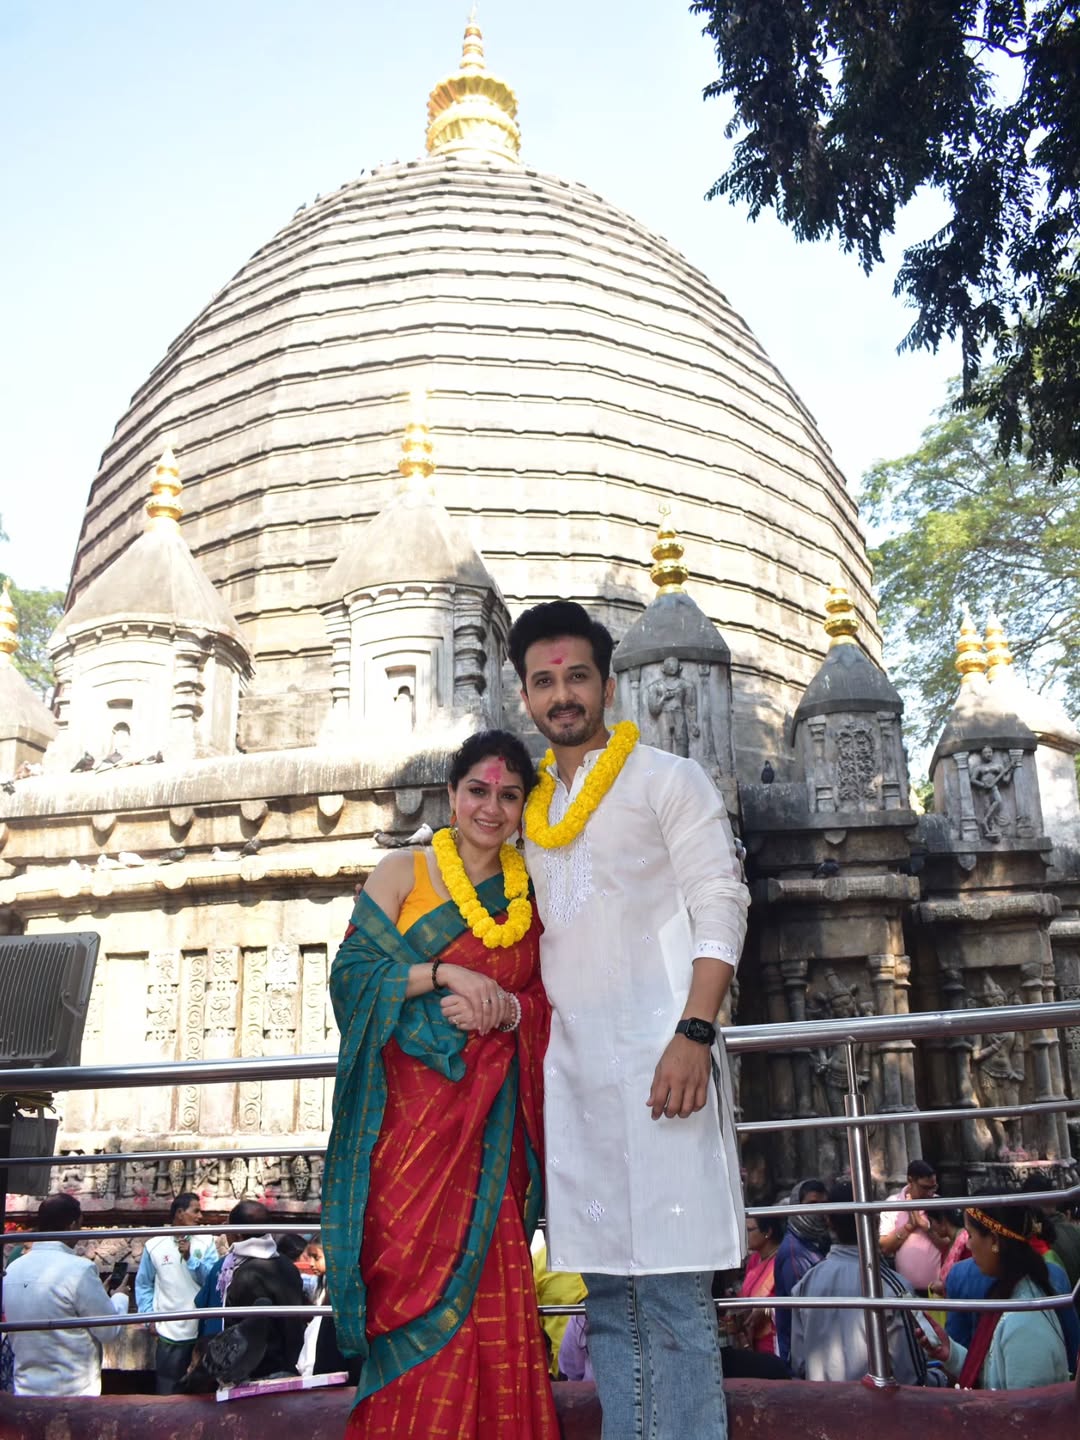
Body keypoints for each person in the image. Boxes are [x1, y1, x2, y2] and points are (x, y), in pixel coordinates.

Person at [509, 600, 750, 1440]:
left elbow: (721, 900)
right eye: (545, 681)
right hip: (574, 1083)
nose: (562, 694)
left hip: (665, 1065)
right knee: (609, 1301)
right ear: (527, 699)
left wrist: (695, 1034)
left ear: (608, 687)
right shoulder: (527, 814)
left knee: (677, 1302)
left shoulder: (666, 781)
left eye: (577, 676)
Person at [323, 730, 558, 1439]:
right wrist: (445, 974)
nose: (492, 807)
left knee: (493, 1290)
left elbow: (560, 999)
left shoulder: (537, 890)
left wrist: (509, 1008)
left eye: (509, 795)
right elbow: (350, 980)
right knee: (408, 1298)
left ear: (524, 806)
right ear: (452, 797)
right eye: (478, 791)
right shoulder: (404, 871)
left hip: (490, 1138)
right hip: (406, 1137)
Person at [789, 1181, 935, 1385]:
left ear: (829, 1221)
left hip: (823, 1406)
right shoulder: (892, 1287)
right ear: (875, 1219)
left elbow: (799, 1363)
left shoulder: (806, 1285)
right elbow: (911, 1374)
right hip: (876, 1411)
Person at [921, 1199, 1069, 1388]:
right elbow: (996, 1374)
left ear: (994, 1240)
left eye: (970, 1234)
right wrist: (950, 1352)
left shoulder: (1024, 1325)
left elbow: (1023, 1412)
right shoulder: (1013, 1293)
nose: (967, 1245)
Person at [3, 1193, 129, 1396]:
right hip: (73, 1394)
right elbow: (108, 1331)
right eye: (79, 1226)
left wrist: (99, 1294)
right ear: (72, 1225)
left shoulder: (13, 1269)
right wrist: (119, 1297)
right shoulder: (79, 1270)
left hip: (26, 1391)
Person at [182, 1199, 307, 1390]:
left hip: (254, 1376)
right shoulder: (287, 1266)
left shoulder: (243, 1275)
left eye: (229, 1227)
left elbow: (241, 1338)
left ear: (238, 1234)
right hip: (291, 1365)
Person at [134, 1190, 217, 1394]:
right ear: (180, 1213)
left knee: (200, 1393)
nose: (200, 1217)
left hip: (201, 1329)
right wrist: (148, 1316)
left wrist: (191, 1258)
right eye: (195, 1211)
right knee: (167, 1391)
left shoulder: (206, 1242)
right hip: (168, 1331)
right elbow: (144, 1284)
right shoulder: (154, 1245)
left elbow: (212, 1281)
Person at [773, 1178, 829, 1364]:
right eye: (812, 1204)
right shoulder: (794, 1252)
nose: (820, 1211)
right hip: (803, 1353)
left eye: (824, 1204)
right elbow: (806, 1311)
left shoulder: (816, 1242)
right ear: (797, 1206)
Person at [879, 1159, 948, 1293]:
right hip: (905, 1291)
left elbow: (951, 1246)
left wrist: (926, 1228)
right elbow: (885, 1248)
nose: (929, 1193)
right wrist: (909, 1226)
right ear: (910, 1181)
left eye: (933, 1187)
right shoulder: (892, 1204)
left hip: (937, 1292)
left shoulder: (939, 1202)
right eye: (925, 1188)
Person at [727, 1214, 784, 1355]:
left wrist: (767, 1308)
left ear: (768, 1232)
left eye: (749, 1230)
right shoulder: (754, 1259)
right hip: (749, 1342)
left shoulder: (780, 1261)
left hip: (771, 1344)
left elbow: (787, 1301)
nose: (745, 1236)